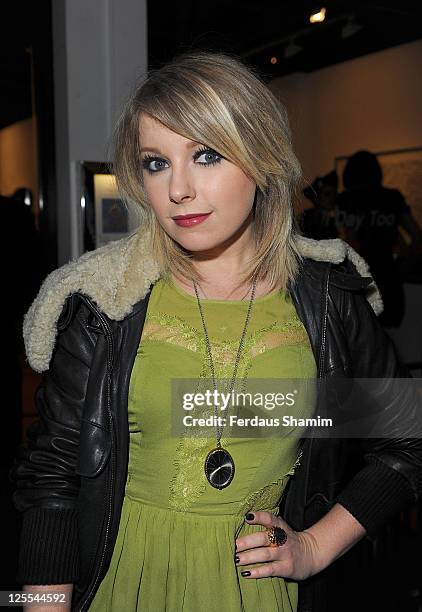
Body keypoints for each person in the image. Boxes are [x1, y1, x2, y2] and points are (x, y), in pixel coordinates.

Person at [10, 52, 422, 612]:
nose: (178, 188)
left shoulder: (325, 302)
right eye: (156, 163)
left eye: (206, 155)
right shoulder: (105, 303)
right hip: (120, 585)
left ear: (262, 159)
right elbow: (52, 476)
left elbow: (404, 441)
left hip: (256, 593)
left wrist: (314, 546)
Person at [336, 150, 422, 328]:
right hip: (388, 277)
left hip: (358, 278)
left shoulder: (346, 200)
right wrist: (403, 264)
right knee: (386, 336)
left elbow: (346, 241)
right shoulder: (391, 198)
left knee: (359, 337)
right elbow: (416, 235)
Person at [301, 170, 339, 240]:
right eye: (327, 194)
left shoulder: (340, 216)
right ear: (317, 198)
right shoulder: (307, 218)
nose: (332, 198)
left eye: (334, 193)